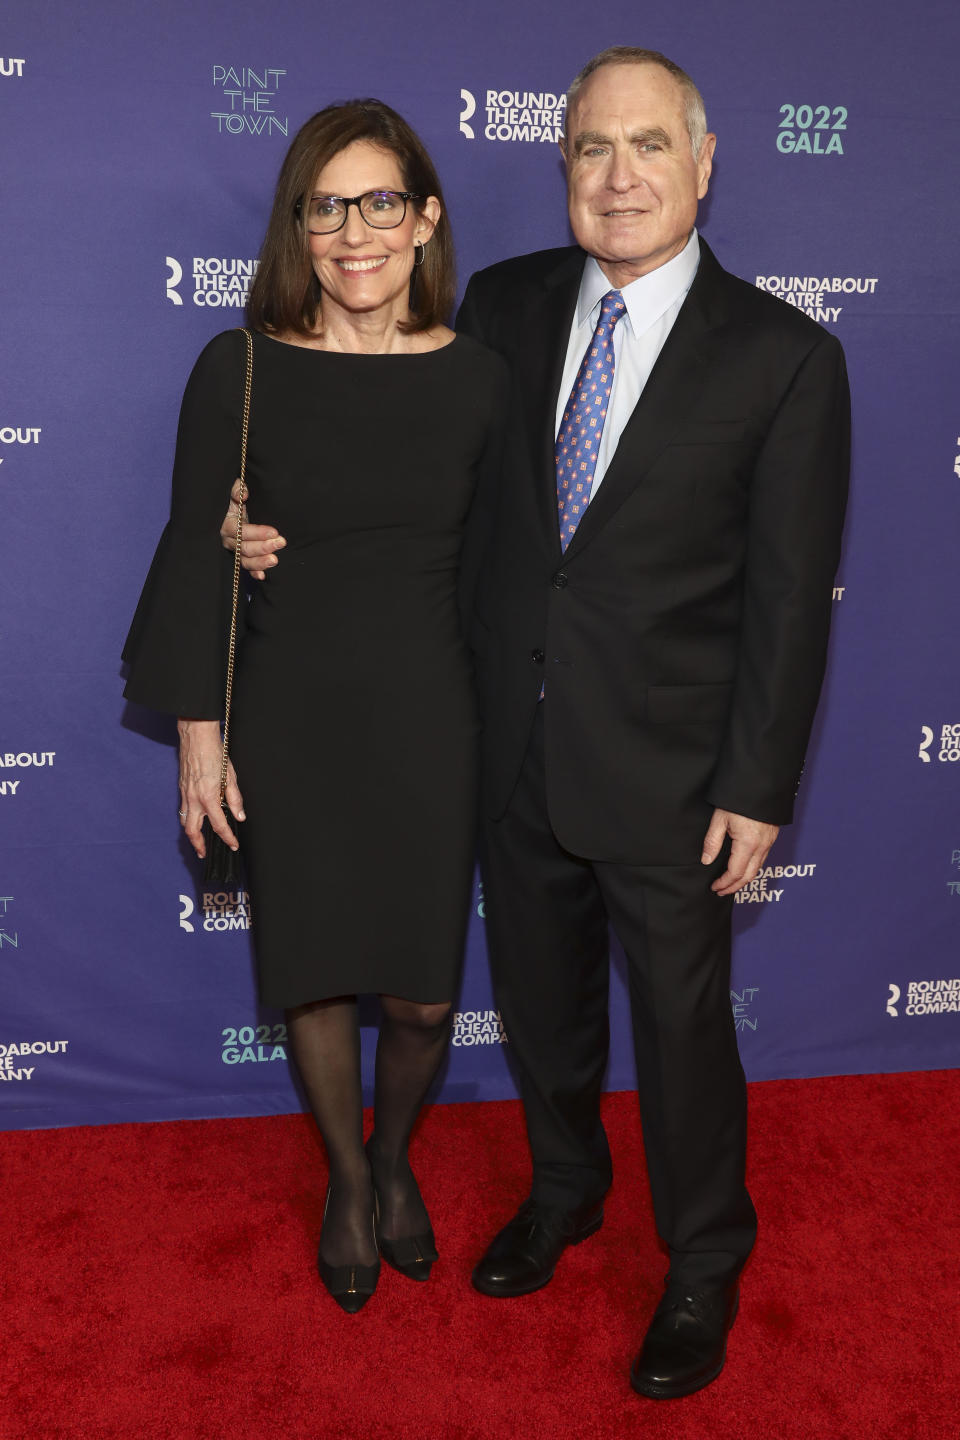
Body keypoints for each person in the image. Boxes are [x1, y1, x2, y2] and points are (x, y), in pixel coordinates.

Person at [228, 47, 849, 1394]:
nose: (617, 177)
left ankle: (700, 1262)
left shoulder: (787, 358)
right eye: (588, 149)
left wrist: (758, 780)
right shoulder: (499, 309)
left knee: (684, 1032)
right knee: (545, 1011)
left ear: (703, 161)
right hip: (503, 743)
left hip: (677, 771)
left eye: (646, 146)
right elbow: (383, 461)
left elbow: (794, 598)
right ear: (560, 166)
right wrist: (247, 522)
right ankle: (564, 1190)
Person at [123, 99, 507, 1315]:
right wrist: (199, 739)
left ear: (426, 217)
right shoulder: (237, 369)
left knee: (424, 992)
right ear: (300, 226)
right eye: (327, 206)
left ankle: (398, 1159)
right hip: (290, 716)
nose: (355, 233)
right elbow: (194, 548)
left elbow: (512, 570)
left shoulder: (482, 381)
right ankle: (351, 1181)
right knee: (317, 976)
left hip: (434, 718)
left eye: (381, 202)